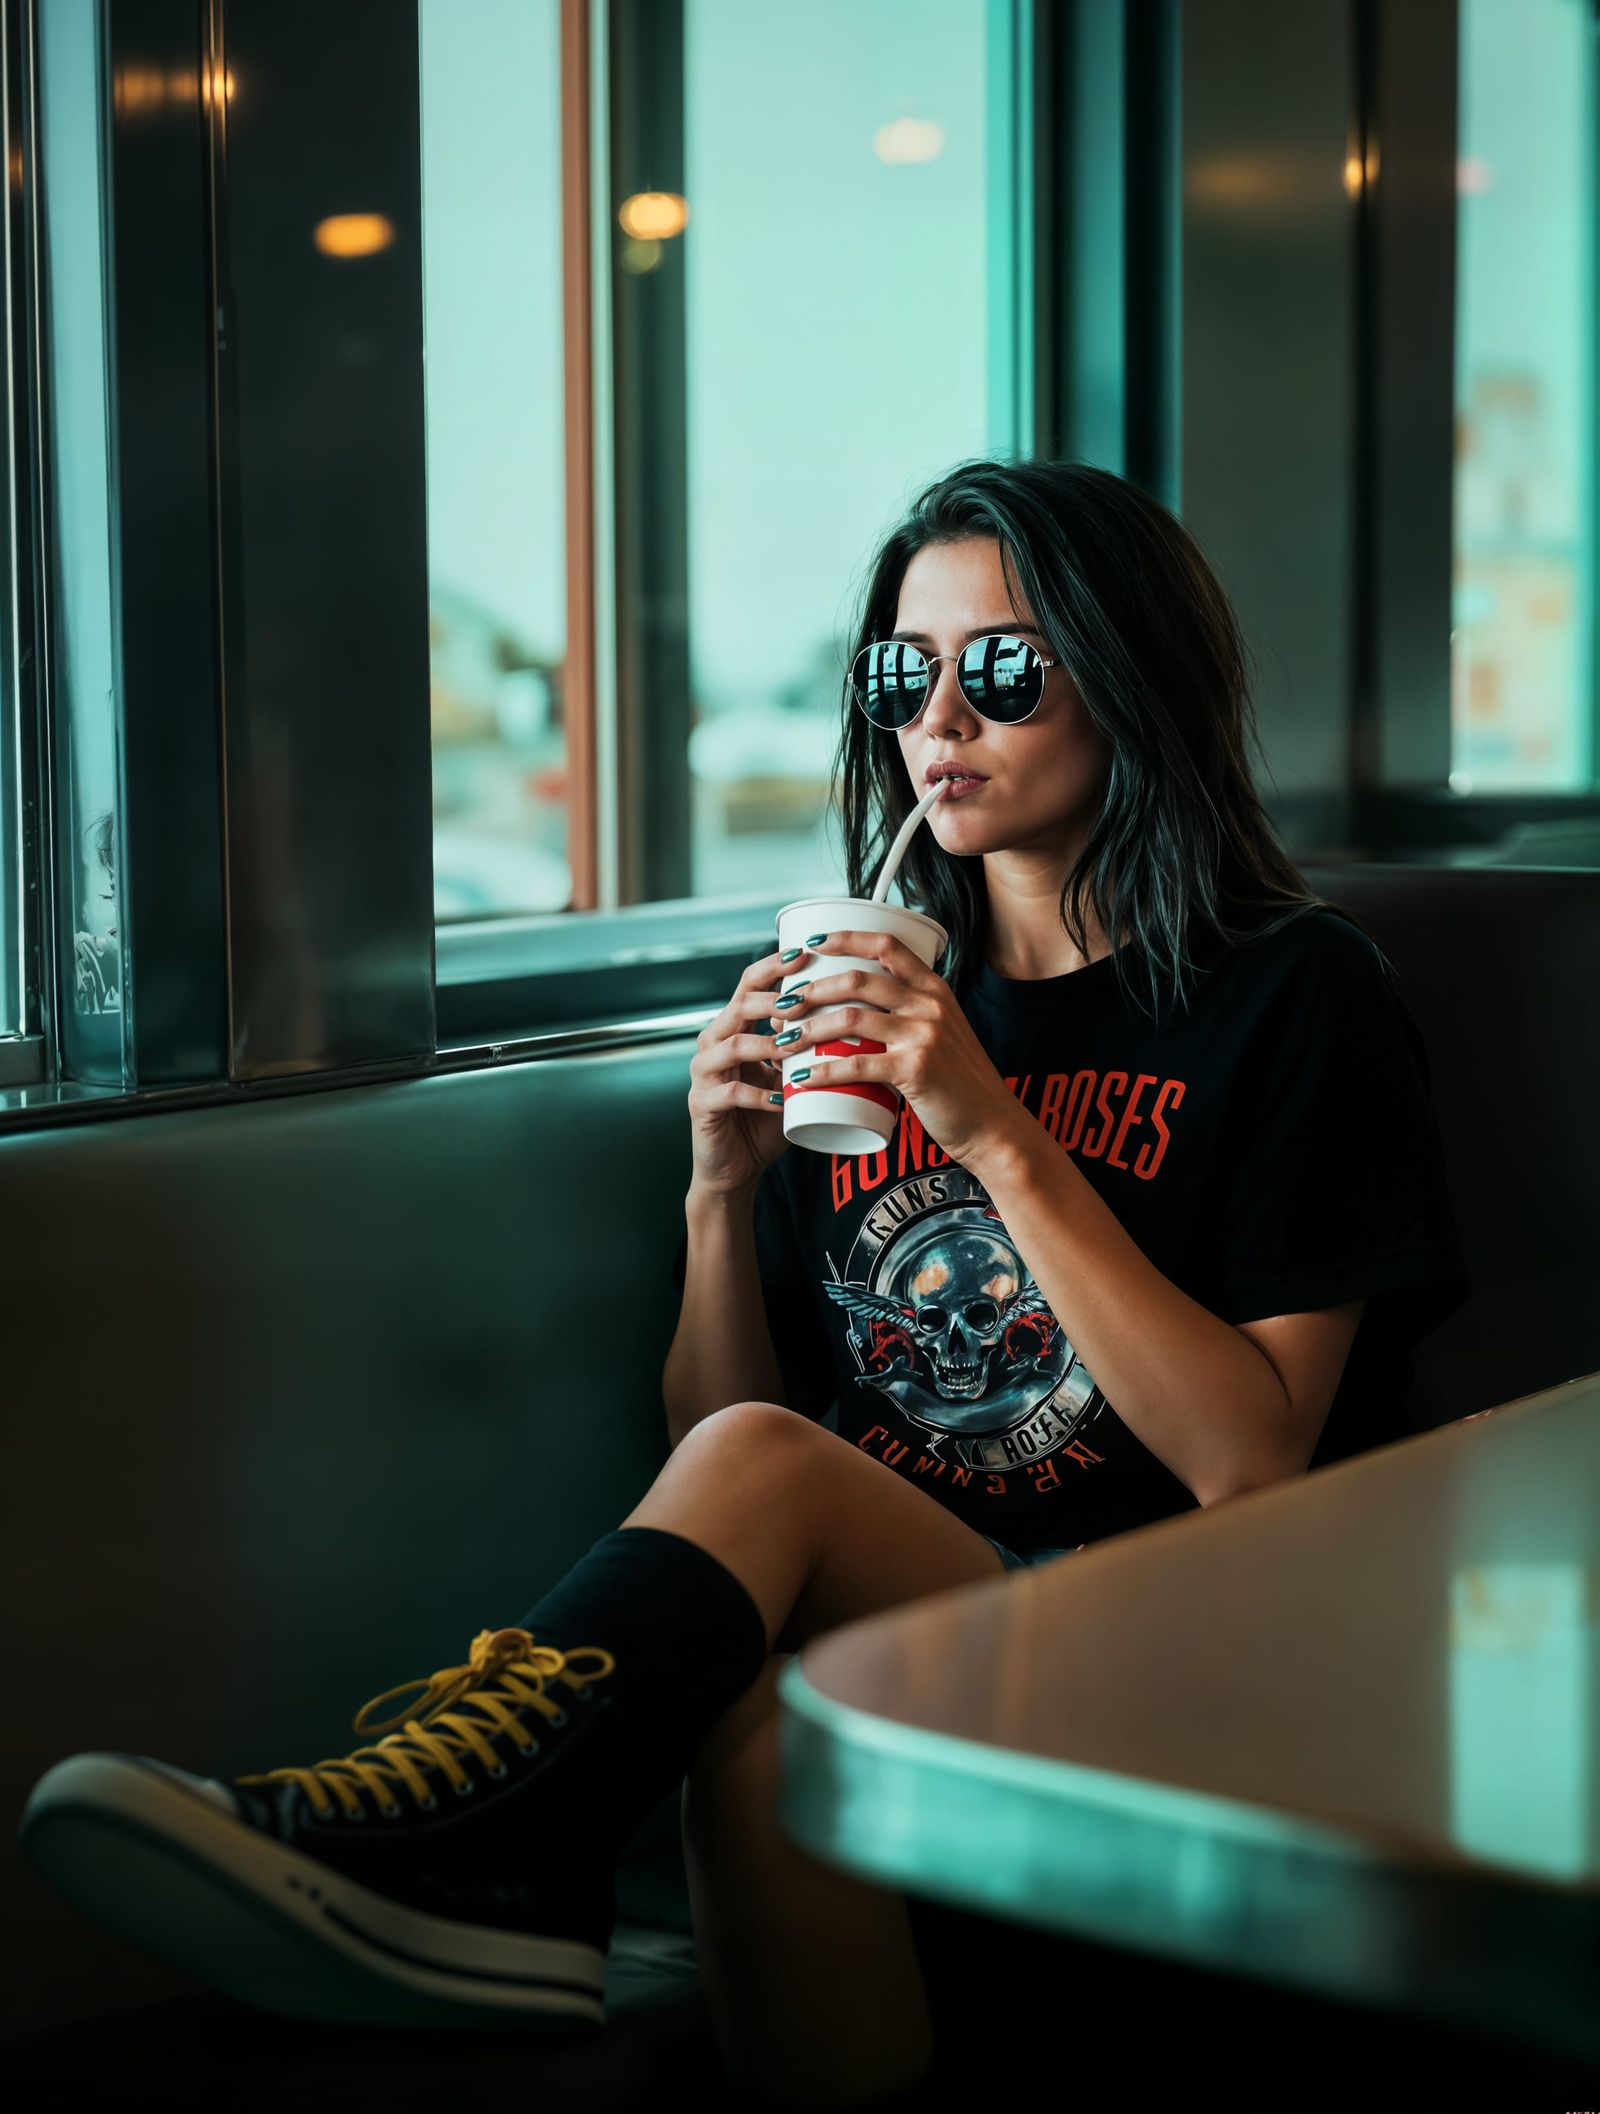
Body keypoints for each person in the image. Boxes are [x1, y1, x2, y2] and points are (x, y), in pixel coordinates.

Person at [17, 457, 1472, 2113]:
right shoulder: (879, 982)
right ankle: (519, 1886)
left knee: (782, 1569)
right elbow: (726, 1452)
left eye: (1002, 669)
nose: (943, 721)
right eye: (899, 674)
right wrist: (719, 1194)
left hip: (1189, 1630)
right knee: (761, 1732)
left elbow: (1252, 1461)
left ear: (1132, 677)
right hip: (924, 1600)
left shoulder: (1293, 999)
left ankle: (464, 1838)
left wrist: (992, 1131)